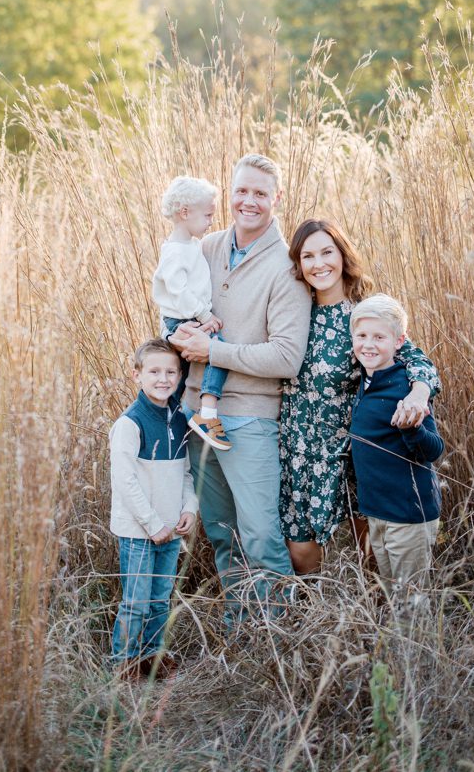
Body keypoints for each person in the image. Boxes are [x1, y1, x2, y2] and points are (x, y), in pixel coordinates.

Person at [169, 154, 311, 620]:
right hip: (196, 413)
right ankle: (240, 632)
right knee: (222, 534)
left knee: (261, 536)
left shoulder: (287, 268)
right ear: (230, 192)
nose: (249, 201)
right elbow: (177, 307)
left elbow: (286, 357)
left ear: (277, 198)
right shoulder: (205, 247)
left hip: (249, 417)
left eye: (260, 193)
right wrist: (177, 337)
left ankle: (279, 642)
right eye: (242, 191)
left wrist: (215, 352)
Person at [278, 219, 440, 575]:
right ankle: (314, 607)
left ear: (342, 256)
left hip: (350, 449)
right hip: (298, 446)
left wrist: (418, 393)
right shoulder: (291, 313)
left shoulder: (363, 316)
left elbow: (419, 362)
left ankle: (374, 607)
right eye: (308, 256)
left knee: (371, 549)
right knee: (300, 550)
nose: (319, 264)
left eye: (327, 252)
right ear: (298, 264)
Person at [109, 337, 198, 679]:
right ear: (137, 375)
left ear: (180, 376)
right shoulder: (129, 424)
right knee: (136, 602)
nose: (163, 379)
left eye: (171, 372)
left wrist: (189, 508)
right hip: (139, 531)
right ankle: (125, 664)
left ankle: (153, 657)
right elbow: (125, 481)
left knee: (161, 600)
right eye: (154, 372)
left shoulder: (179, 419)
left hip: (170, 528)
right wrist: (151, 524)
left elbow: (186, 472)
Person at [348, 294, 444, 601]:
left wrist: (412, 428)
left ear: (399, 341)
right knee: (394, 597)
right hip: (377, 511)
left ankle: (417, 637)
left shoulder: (407, 387)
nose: (369, 345)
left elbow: (434, 450)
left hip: (408, 514)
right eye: (362, 336)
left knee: (410, 604)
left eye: (379, 337)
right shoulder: (365, 381)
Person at [152, 175, 232, 451]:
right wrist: (204, 315)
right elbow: (178, 292)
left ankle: (168, 418)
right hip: (183, 318)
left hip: (187, 317)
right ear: (185, 212)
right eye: (207, 215)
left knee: (181, 374)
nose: (211, 221)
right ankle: (207, 413)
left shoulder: (192, 245)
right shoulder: (175, 252)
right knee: (216, 349)